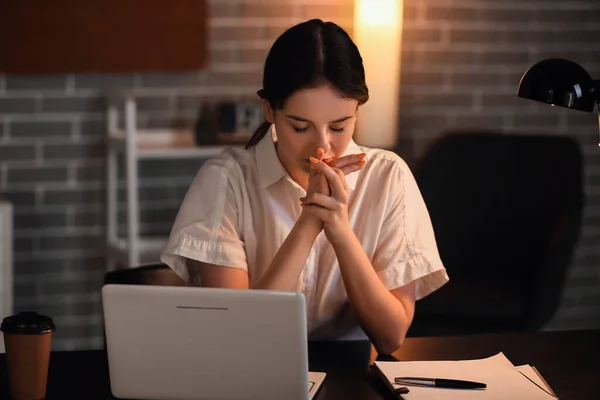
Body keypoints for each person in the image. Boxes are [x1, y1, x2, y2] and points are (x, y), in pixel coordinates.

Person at [160, 19, 449, 354]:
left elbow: (390, 336)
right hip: (254, 369)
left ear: (357, 111)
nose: (321, 147)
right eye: (300, 127)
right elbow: (241, 335)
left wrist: (340, 230)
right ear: (270, 109)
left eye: (339, 127)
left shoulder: (388, 176)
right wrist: (310, 222)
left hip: (352, 377)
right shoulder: (226, 180)